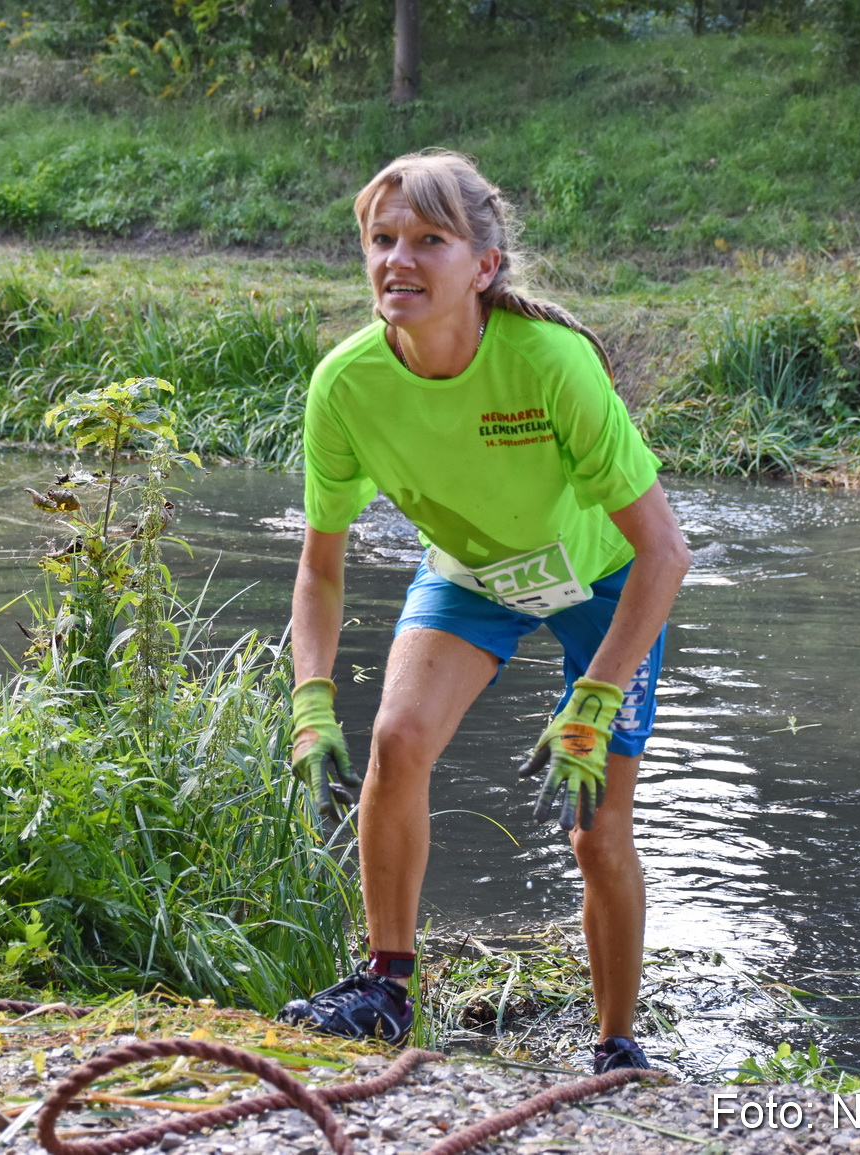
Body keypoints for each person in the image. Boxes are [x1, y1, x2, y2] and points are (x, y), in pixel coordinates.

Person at [276, 151, 691, 1074]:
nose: (398, 261)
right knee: (397, 737)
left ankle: (616, 1046)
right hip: (470, 570)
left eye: (430, 239)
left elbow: (666, 551)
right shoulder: (345, 386)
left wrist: (592, 701)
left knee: (596, 828)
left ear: (485, 265)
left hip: (609, 580)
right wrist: (310, 701)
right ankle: (385, 985)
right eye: (382, 240)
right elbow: (320, 566)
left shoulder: (549, 363)